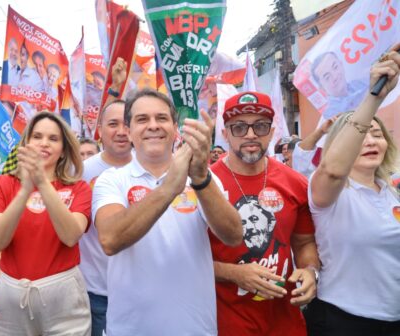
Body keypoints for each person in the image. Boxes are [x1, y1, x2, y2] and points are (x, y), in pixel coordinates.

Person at [93, 89, 242, 335]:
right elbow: (110, 240)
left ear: (175, 128)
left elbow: (233, 235)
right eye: (142, 119)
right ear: (129, 131)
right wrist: (169, 188)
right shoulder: (112, 179)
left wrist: (201, 179)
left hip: (194, 328)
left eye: (161, 119)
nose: (153, 126)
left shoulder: (204, 177)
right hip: (130, 329)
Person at [305, 45, 400, 335]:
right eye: (361, 136)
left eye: (377, 134)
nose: (370, 141)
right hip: (344, 320)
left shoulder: (392, 193)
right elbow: (333, 169)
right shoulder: (329, 194)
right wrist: (375, 96)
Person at [210, 91, 320, 335]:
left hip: (285, 321)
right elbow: (186, 261)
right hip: (225, 323)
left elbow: (304, 243)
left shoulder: (295, 183)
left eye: (260, 126)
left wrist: (310, 271)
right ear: (225, 133)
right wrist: (234, 273)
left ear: (272, 132)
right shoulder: (204, 184)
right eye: (239, 127)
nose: (250, 134)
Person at [0, 112, 91, 335]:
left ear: (63, 149)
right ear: (26, 143)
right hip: (12, 298)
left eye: (53, 139)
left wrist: (42, 183)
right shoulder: (1, 184)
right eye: (37, 136)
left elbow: (71, 236)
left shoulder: (79, 189)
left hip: (64, 298)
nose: (44, 143)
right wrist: (25, 190)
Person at [79, 99, 132, 336]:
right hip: (94, 291)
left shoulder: (153, 169)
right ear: (100, 129)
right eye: (113, 124)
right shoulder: (80, 171)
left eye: (127, 123)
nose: (121, 131)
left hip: (139, 289)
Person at [311, 52, 367, 119]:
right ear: (322, 88)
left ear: (341, 64)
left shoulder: (362, 83)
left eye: (335, 67)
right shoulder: (331, 115)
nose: (335, 76)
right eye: (327, 77)